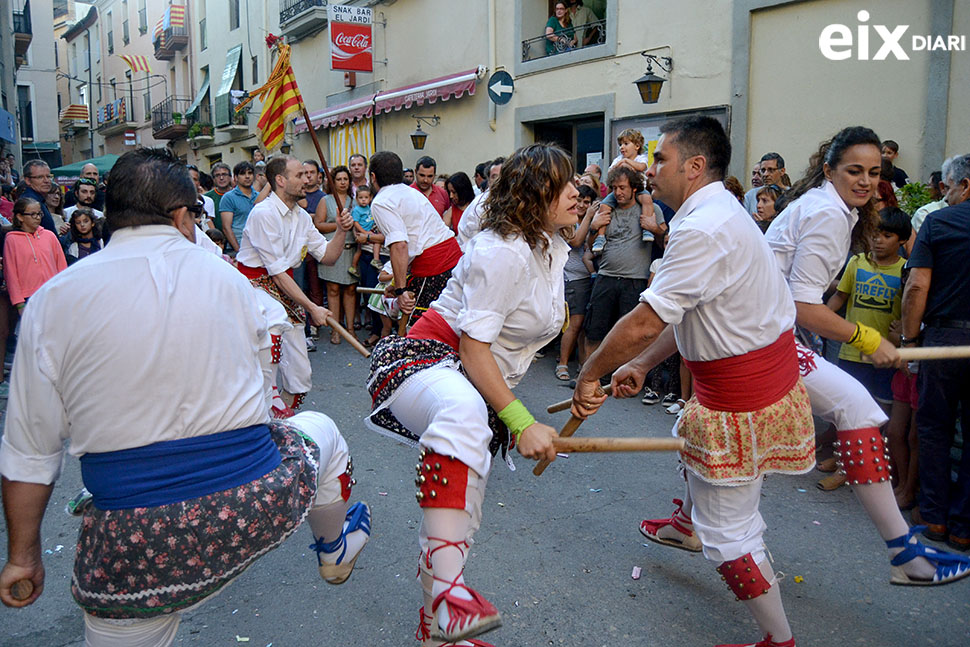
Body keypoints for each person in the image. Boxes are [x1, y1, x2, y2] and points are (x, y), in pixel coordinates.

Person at [0, 149, 371, 646]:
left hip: (134, 541)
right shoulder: (231, 283)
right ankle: (333, 550)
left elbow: (29, 454)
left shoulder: (52, 301)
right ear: (181, 216)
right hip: (247, 508)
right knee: (321, 431)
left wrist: (23, 557)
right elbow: (262, 398)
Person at [572, 116, 814, 647]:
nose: (649, 168)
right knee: (733, 516)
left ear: (695, 166)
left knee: (729, 533)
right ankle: (699, 529)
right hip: (745, 387)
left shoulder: (704, 226)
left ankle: (778, 638)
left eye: (660, 159)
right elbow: (695, 317)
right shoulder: (716, 213)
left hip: (739, 399)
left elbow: (644, 320)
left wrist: (592, 371)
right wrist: (637, 365)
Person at [365, 143, 570, 646]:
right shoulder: (503, 250)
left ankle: (437, 629)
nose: (578, 193)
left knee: (461, 516)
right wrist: (521, 421)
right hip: (431, 361)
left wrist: (594, 378)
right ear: (534, 193)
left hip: (480, 386)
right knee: (462, 415)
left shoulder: (553, 247)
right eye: (564, 185)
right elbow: (475, 350)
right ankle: (451, 600)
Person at [760, 127, 969, 584]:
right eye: (854, 171)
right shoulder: (827, 214)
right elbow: (803, 304)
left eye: (874, 173)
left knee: (733, 431)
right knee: (856, 407)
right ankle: (906, 556)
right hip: (761, 341)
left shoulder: (824, 206)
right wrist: (872, 341)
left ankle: (688, 522)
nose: (866, 182)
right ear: (829, 169)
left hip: (762, 335)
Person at [237, 155, 353, 412]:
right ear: (280, 180)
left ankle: (283, 415)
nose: (307, 179)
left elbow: (328, 256)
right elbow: (276, 273)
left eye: (307, 174)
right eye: (299, 175)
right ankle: (268, 399)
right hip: (254, 284)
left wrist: (342, 231)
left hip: (284, 285)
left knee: (301, 375)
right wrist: (313, 307)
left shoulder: (301, 216)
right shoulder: (263, 213)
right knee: (276, 318)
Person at [901, 152, 970, 551]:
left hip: (944, 340)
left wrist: (910, 343)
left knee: (933, 428)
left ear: (965, 185)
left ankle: (935, 517)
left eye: (948, 188)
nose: (944, 194)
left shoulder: (940, 222)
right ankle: (963, 525)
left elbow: (916, 287)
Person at [369, 151, 463, 330]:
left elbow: (400, 245)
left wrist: (401, 291)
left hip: (435, 266)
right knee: (445, 325)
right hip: (449, 259)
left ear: (373, 177)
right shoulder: (410, 192)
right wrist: (398, 284)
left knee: (421, 330)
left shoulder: (381, 201)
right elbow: (415, 241)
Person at [583, 165, 663, 357]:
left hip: (634, 280)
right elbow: (590, 245)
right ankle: (587, 377)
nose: (618, 192)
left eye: (622, 188)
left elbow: (663, 243)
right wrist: (594, 228)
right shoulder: (607, 210)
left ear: (634, 188)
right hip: (606, 277)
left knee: (628, 336)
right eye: (614, 188)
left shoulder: (651, 209)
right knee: (594, 331)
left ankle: (619, 383)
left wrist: (656, 229)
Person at [590, 129, 661, 252]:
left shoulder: (641, 158)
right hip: (616, 192)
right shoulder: (617, 159)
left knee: (647, 199)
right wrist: (623, 163)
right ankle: (601, 236)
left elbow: (641, 167)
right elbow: (610, 172)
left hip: (639, 190)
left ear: (637, 146)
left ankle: (646, 229)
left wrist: (625, 162)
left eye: (626, 144)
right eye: (620, 145)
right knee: (604, 206)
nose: (622, 148)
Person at [314, 165, 359, 345]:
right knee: (332, 290)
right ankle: (335, 330)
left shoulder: (354, 201)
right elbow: (318, 224)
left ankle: (350, 329)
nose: (342, 182)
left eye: (345, 179)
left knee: (350, 290)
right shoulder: (326, 200)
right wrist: (340, 225)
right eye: (338, 179)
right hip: (332, 249)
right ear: (332, 181)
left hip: (351, 250)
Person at [556, 184, 597, 381]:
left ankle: (582, 365)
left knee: (583, 327)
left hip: (588, 278)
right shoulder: (568, 219)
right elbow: (576, 241)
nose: (581, 205)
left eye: (587, 202)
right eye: (579, 200)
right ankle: (562, 364)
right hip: (573, 279)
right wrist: (589, 217)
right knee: (575, 323)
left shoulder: (590, 219)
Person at [3, 197, 68, 312]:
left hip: (52, 293)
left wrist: (64, 291)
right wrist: (19, 303)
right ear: (20, 217)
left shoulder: (49, 236)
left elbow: (61, 266)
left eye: (39, 213)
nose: (37, 217)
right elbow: (11, 273)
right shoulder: (12, 239)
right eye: (33, 214)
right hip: (28, 297)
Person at [219, 162, 258, 254]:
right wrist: (239, 250)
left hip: (257, 248)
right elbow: (226, 227)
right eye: (243, 173)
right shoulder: (228, 197)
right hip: (236, 249)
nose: (247, 176)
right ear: (235, 177)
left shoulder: (259, 196)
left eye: (250, 173)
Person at [350, 185, 382, 276]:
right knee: (359, 250)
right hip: (362, 232)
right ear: (356, 199)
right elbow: (355, 223)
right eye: (361, 198)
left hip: (370, 231)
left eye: (366, 197)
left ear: (370, 198)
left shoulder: (370, 208)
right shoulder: (356, 210)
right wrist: (364, 233)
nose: (363, 200)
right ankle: (353, 266)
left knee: (376, 242)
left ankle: (376, 259)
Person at [19, 161, 59, 234]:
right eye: (40, 177)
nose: (46, 181)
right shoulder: (29, 201)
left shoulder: (39, 199)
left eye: (48, 176)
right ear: (28, 180)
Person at [444, 172, 475, 236]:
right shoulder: (452, 210)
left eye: (454, 192)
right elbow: (442, 231)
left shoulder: (476, 206)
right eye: (449, 192)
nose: (451, 196)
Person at [205, 162, 233, 232]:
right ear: (213, 179)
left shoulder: (237, 195)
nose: (221, 178)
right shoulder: (207, 198)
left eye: (224, 174)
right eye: (217, 175)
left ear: (230, 177)